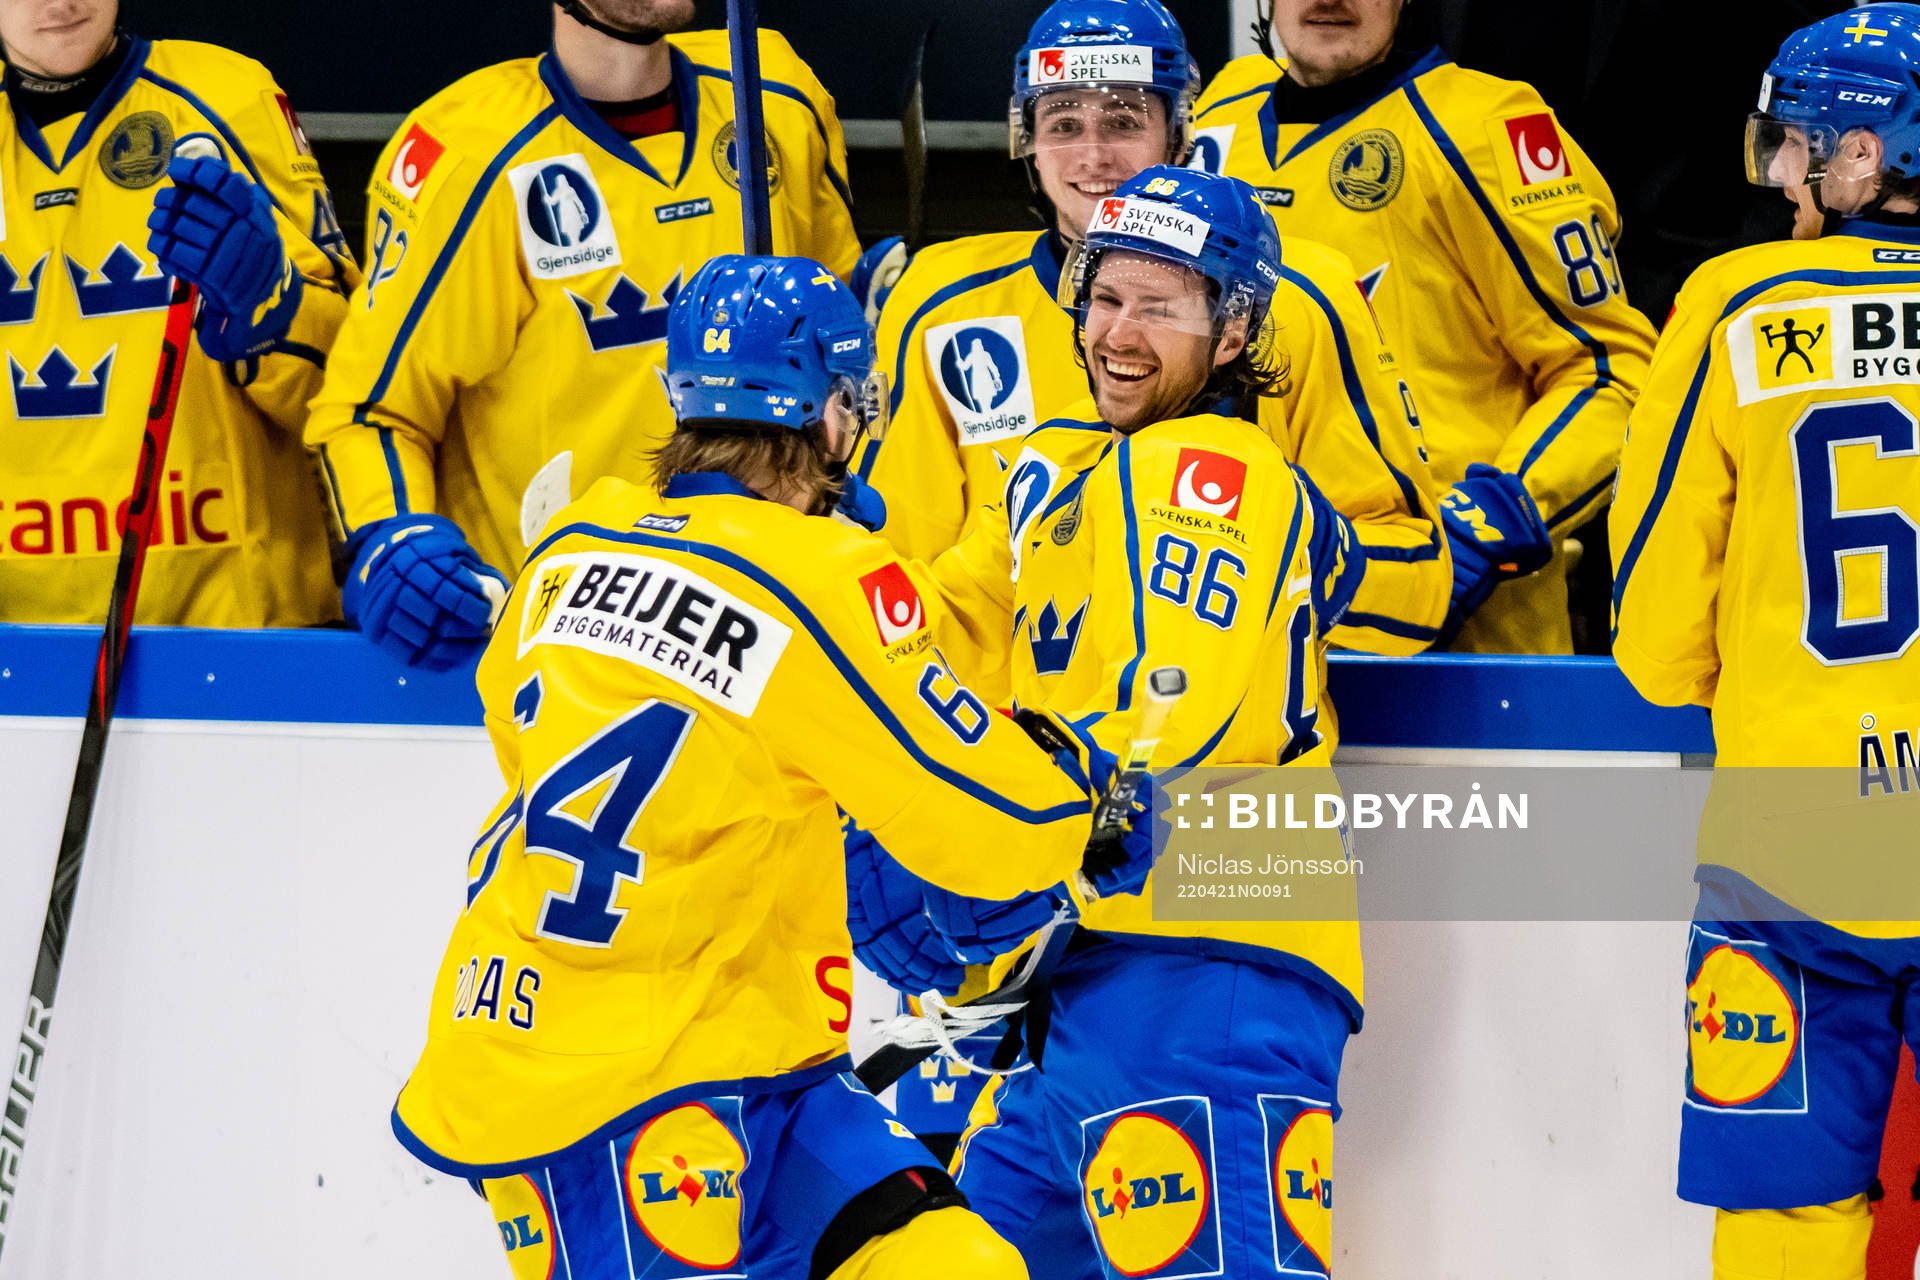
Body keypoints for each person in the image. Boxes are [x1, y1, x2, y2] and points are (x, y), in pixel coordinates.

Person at [389, 251, 1159, 1280]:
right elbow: (988, 826)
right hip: (608, 1085)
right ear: (835, 415)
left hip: (745, 1055)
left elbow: (520, 724)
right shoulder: (818, 574)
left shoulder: (572, 540)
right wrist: (1088, 805)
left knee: (956, 1262)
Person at [863, 168, 1358, 1280]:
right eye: (1104, 298)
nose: (1118, 334)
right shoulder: (1059, 462)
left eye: (1159, 307)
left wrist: (1004, 839)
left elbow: (1170, 705)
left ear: (1234, 332)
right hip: (1081, 978)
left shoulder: (1216, 467)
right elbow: (932, 630)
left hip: (1207, 965)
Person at [1611, 10, 1920, 1278]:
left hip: (1796, 828)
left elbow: (1653, 621)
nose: (1783, 175)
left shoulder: (1739, 303)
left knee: (1787, 1218)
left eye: (1795, 146)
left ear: (1864, 153)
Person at [859, 0, 1447, 657]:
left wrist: (1285, 544)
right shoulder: (941, 301)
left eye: (1123, 121)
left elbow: (1416, 583)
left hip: (1229, 713)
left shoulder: (1299, 295)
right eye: (1063, 123)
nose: (1093, 155)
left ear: (1180, 133)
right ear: (1028, 141)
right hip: (1004, 713)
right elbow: (895, 573)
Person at [306, 0, 860, 670]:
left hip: (770, 634)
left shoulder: (775, 93)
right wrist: (394, 538)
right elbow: (371, 411)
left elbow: (849, 347)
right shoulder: (472, 152)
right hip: (562, 648)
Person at [1195, 0, 1657, 652]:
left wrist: (1489, 524)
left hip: (1460, 636)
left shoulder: (1486, 128)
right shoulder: (1220, 115)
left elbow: (1612, 373)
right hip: (1245, 616)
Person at [0, 0, 355, 625]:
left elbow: (364, 380)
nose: (60, 3)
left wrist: (269, 307)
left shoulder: (224, 95)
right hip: (20, 648)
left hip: (243, 630)